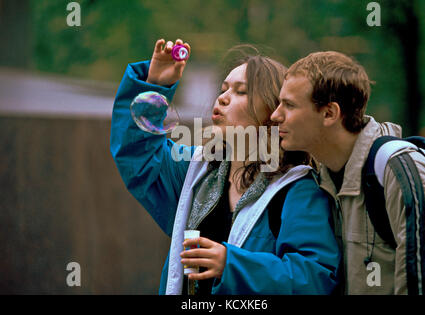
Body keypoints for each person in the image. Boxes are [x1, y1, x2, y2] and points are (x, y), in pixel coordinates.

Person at [110, 39, 340, 295]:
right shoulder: (196, 170)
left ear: (274, 109)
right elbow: (138, 156)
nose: (223, 98)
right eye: (224, 88)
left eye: (241, 91)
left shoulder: (297, 190)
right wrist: (155, 85)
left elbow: (315, 279)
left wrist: (231, 265)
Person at [271, 50, 425, 294]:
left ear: (329, 113)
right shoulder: (321, 179)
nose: (275, 115)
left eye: (289, 105)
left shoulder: (398, 171)